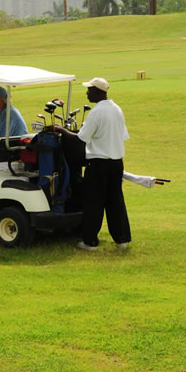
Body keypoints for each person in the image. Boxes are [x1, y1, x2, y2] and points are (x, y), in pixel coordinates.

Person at [53, 77, 131, 251]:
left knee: (94, 202)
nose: (87, 93)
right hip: (117, 162)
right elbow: (122, 136)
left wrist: (61, 130)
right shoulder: (117, 109)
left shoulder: (97, 112)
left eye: (89, 90)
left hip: (98, 163)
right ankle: (122, 239)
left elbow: (81, 137)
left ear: (98, 91)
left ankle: (90, 242)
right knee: (115, 200)